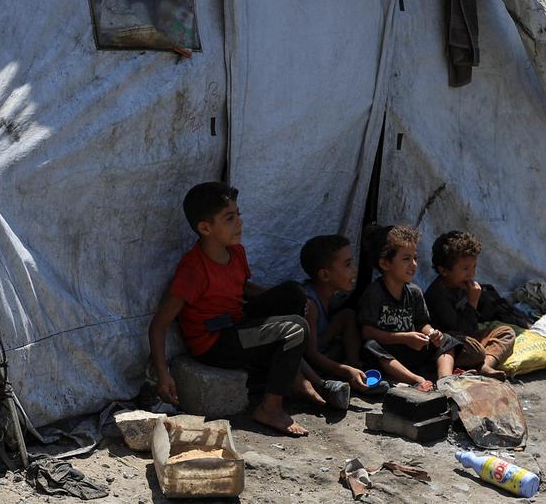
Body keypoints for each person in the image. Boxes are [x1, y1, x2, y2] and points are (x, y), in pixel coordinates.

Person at [148, 182, 325, 436]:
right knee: (294, 329)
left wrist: (283, 300)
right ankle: (270, 408)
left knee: (294, 292)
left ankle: (298, 375)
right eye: (229, 218)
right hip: (215, 344)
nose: (239, 223)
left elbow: (242, 288)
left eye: (238, 215)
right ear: (205, 228)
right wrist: (163, 375)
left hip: (237, 324)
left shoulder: (236, 252)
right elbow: (159, 324)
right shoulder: (193, 270)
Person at [357, 225, 460, 390]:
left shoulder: (414, 291)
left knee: (447, 340)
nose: (413, 265)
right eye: (406, 259)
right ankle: (415, 379)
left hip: (413, 350)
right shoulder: (374, 293)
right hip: (390, 354)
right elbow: (367, 332)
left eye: (415, 258)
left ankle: (445, 380)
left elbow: (422, 323)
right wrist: (404, 337)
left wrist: (431, 334)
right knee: (370, 347)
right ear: (385, 263)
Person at [425, 230, 515, 380]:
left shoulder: (461, 286)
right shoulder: (438, 295)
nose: (471, 274)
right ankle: (473, 365)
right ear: (443, 270)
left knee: (506, 332)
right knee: (477, 351)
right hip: (448, 346)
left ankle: (485, 366)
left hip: (467, 339)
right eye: (465, 269)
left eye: (474, 267)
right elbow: (460, 330)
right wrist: (472, 301)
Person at [299, 234, 368, 392]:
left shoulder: (329, 296)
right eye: (347, 264)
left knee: (348, 315)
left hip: (322, 344)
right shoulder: (310, 305)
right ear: (324, 275)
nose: (354, 270)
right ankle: (349, 373)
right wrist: (344, 371)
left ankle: (354, 365)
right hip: (307, 358)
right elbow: (311, 353)